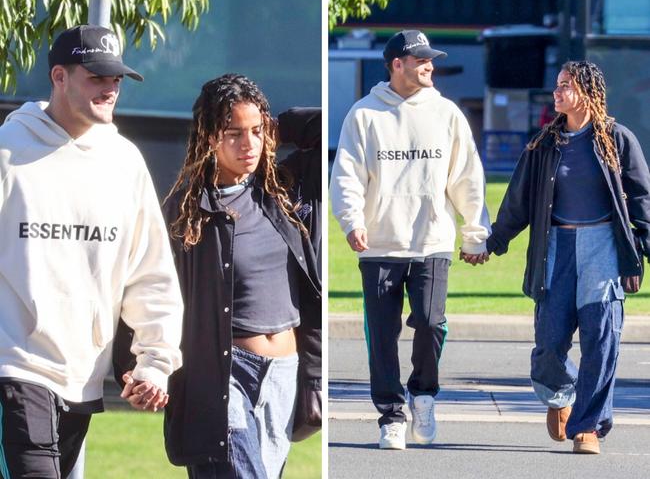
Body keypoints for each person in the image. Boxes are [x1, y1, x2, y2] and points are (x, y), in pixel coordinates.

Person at [0, 24, 183, 478]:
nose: (110, 88)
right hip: (14, 366)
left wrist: (155, 362)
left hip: (83, 375)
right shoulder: (8, 153)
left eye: (116, 79)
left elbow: (150, 272)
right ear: (58, 77)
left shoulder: (125, 163)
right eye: (96, 78)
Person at [330, 29, 490, 450]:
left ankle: (423, 394)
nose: (429, 66)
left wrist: (475, 234)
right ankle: (391, 416)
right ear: (396, 64)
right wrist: (351, 222)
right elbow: (345, 176)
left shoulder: (447, 113)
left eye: (430, 59)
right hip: (380, 245)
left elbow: (466, 178)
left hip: (431, 241)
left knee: (431, 323)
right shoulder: (364, 115)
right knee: (381, 335)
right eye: (421, 60)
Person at [160, 74, 321, 478]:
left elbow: (326, 130)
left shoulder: (284, 188)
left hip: (284, 372)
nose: (248, 144)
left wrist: (277, 123)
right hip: (223, 372)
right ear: (209, 137)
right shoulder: (188, 209)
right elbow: (158, 291)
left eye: (256, 131)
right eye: (234, 133)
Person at [486, 60, 650, 454]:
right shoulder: (543, 145)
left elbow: (642, 199)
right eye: (557, 85)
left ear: (588, 92)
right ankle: (561, 395)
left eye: (565, 86)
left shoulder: (618, 139)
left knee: (601, 341)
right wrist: (493, 242)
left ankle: (588, 428)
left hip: (603, 250)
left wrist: (638, 254)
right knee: (547, 345)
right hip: (555, 248)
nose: (556, 93)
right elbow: (518, 202)